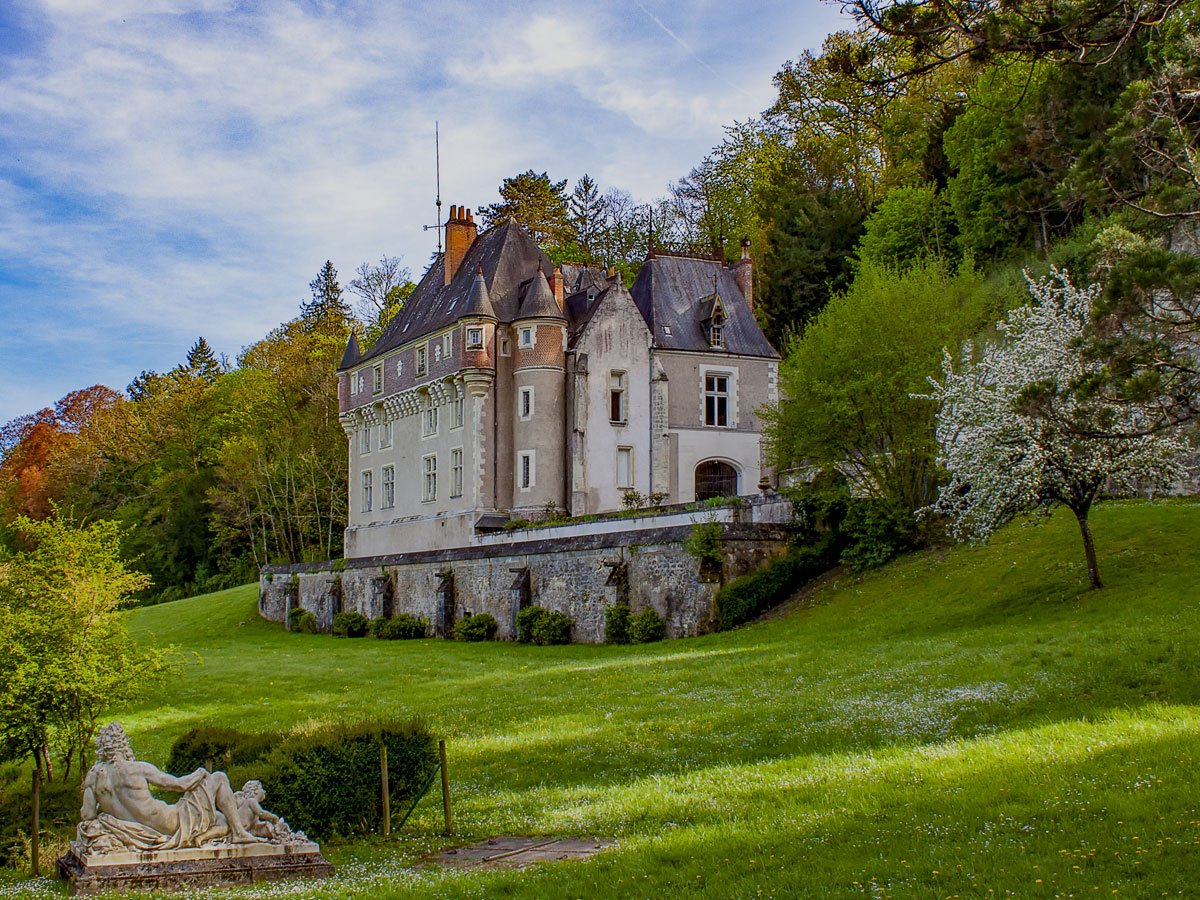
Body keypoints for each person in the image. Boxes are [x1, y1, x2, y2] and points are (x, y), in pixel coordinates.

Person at [76, 722, 262, 853]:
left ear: (101, 748)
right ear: (123, 745)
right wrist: (199, 773)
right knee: (219, 777)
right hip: (172, 822)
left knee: (220, 819)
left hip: (137, 830)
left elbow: (87, 814)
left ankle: (233, 829)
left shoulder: (93, 776)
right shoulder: (137, 769)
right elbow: (179, 785)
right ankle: (239, 833)